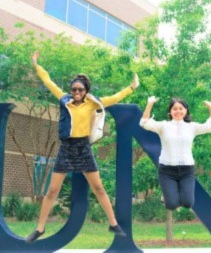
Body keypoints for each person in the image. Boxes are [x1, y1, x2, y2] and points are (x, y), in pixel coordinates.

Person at [25, 51, 139, 242]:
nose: (76, 93)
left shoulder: (93, 104)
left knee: (99, 188)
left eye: (80, 90)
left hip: (83, 148)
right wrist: (36, 65)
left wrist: (132, 87)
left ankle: (113, 223)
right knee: (53, 190)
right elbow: (49, 82)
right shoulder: (64, 100)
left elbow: (115, 97)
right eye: (74, 89)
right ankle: (40, 228)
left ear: (86, 90)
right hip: (66, 147)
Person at [139, 96, 211, 210]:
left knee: (188, 203)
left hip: (187, 170)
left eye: (181, 108)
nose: (178, 111)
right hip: (167, 170)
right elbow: (144, 122)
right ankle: (167, 196)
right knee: (171, 205)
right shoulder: (163, 126)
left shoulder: (192, 127)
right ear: (170, 111)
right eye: (175, 109)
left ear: (186, 110)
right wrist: (150, 104)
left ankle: (172, 194)